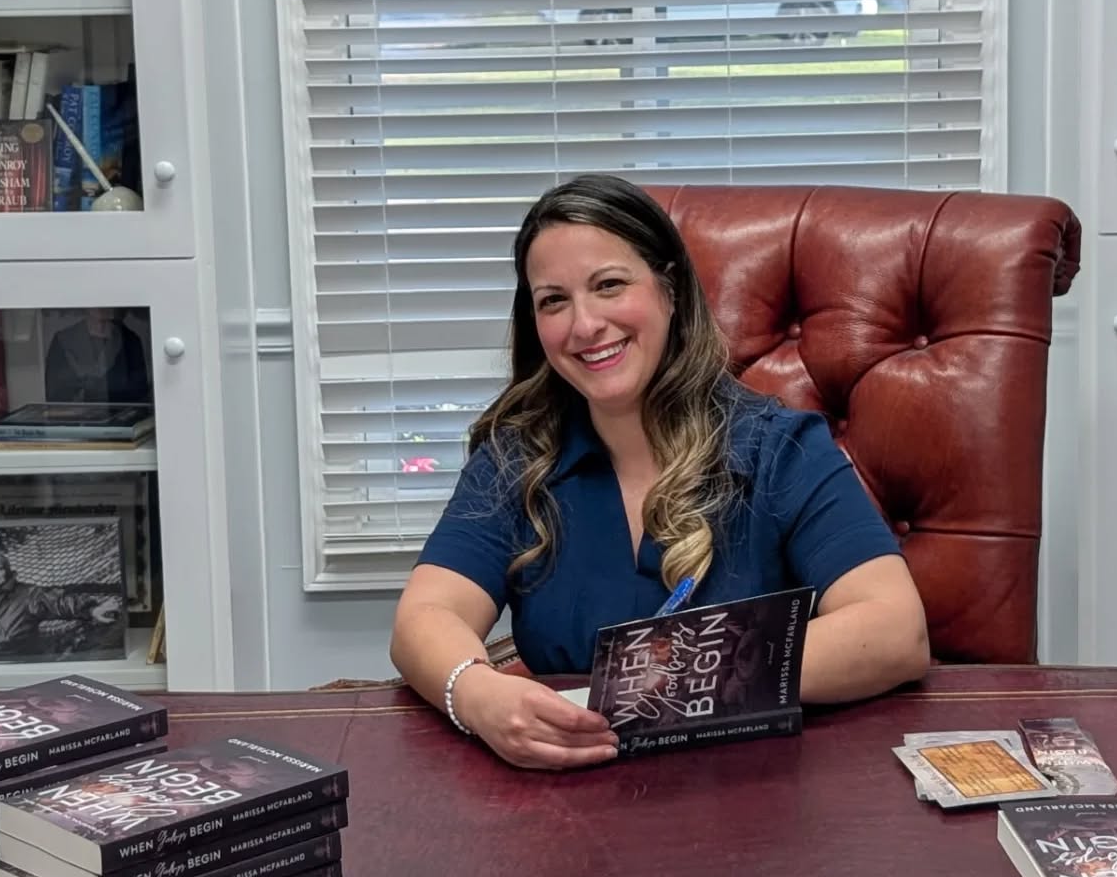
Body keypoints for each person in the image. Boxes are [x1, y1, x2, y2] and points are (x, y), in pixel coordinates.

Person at [389, 174, 930, 770]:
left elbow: (896, 631)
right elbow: (424, 617)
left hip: (749, 789)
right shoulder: (517, 456)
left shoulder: (779, 448)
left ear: (670, 291)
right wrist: (475, 694)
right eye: (554, 300)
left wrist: (674, 675)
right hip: (569, 793)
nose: (585, 325)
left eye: (609, 285)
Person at [0, 549, 122, 662]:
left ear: (7, 570)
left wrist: (92, 610)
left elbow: (60, 602)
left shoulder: (29, 594)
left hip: (14, 662)